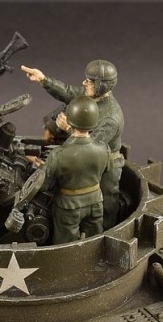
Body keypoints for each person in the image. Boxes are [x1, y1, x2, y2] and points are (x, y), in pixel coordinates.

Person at [21, 60, 124, 229]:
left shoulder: (110, 118)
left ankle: (107, 233)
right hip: (89, 157)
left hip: (105, 165)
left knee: (107, 204)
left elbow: (90, 148)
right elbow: (68, 92)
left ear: (101, 85)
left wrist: (68, 128)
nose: (84, 83)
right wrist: (44, 80)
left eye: (90, 81)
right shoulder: (92, 98)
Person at [30, 96, 112, 244]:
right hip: (95, 201)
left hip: (68, 206)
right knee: (95, 241)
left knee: (65, 243)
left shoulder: (58, 154)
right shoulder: (104, 149)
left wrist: (41, 166)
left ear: (70, 121)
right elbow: (107, 170)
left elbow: (44, 185)